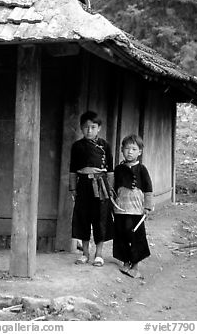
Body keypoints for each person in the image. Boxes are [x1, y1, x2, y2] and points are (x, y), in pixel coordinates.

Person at [69, 110, 114, 267]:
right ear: (81, 128)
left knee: (100, 218)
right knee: (83, 218)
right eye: (86, 127)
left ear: (99, 128)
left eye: (93, 127)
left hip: (101, 185)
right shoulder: (77, 147)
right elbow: (73, 170)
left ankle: (99, 254)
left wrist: (110, 189)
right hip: (83, 186)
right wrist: (73, 189)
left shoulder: (105, 146)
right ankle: (85, 253)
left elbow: (110, 170)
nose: (89, 130)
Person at [112, 134, 154, 278]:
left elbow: (148, 189)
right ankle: (125, 261)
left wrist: (147, 207)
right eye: (127, 148)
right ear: (121, 150)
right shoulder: (118, 169)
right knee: (121, 235)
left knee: (136, 236)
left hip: (136, 210)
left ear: (140, 152)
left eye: (134, 149)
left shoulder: (142, 169)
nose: (130, 152)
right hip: (120, 208)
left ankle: (135, 264)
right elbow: (112, 189)